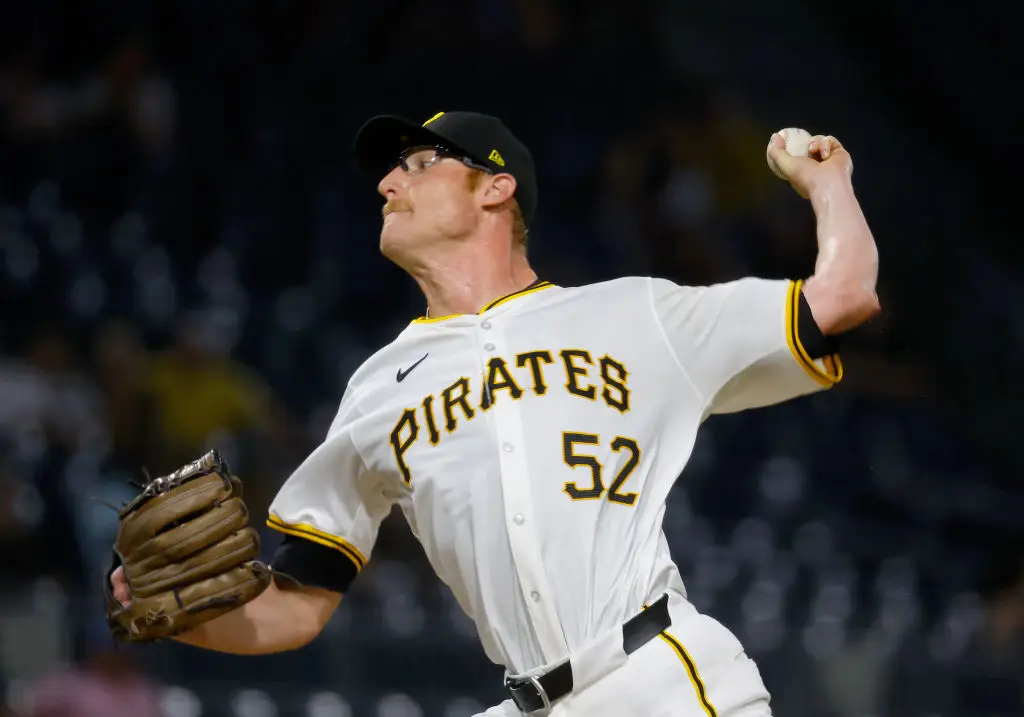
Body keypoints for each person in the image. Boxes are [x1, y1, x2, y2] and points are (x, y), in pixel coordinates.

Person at [112, 110, 880, 715]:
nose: (388, 184)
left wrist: (828, 183)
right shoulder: (378, 387)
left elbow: (842, 296)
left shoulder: (635, 313)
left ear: (494, 186)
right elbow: (299, 602)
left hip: (660, 681)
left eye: (416, 164)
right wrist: (182, 615)